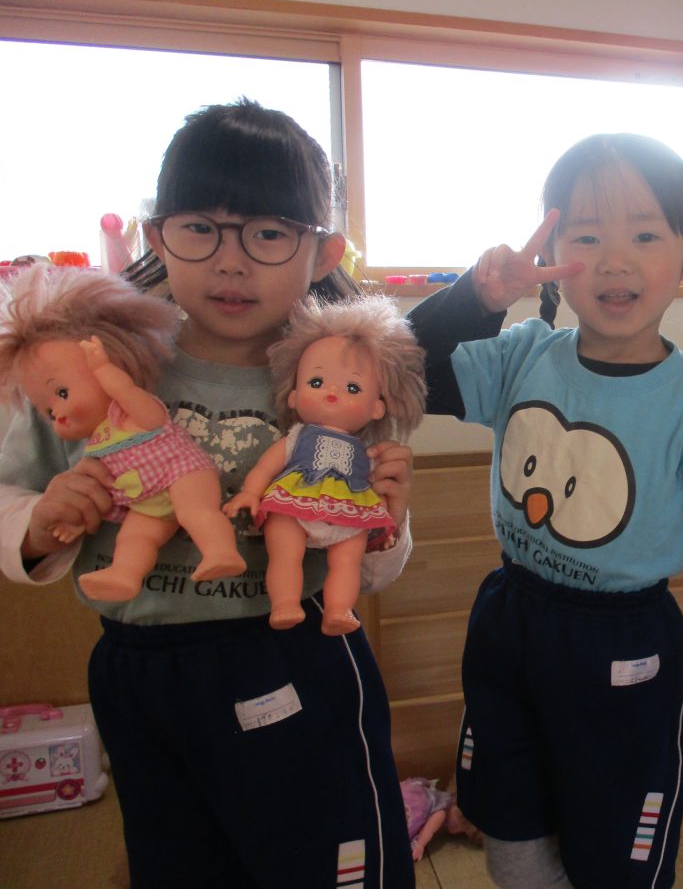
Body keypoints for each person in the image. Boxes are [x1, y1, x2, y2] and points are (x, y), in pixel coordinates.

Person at [0, 99, 419, 889]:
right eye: (201, 228)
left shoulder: (336, 375)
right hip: (138, 670)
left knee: (328, 862)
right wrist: (39, 520)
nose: (231, 262)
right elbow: (9, 495)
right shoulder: (98, 360)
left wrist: (387, 526)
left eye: (268, 234)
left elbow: (369, 564)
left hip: (291, 653)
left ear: (321, 250)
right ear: (157, 237)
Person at [407, 132, 683, 889]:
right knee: (509, 832)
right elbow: (398, 372)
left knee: (615, 848)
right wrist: (477, 297)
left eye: (645, 236)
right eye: (587, 237)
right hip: (510, 622)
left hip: (625, 647)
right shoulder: (524, 355)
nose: (614, 260)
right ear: (553, 251)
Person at [0, 265, 246, 602]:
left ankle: (220, 551)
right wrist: (50, 522)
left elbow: (132, 398)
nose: (58, 414)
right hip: (146, 506)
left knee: (196, 513)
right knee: (134, 538)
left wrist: (104, 370)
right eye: (49, 412)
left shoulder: (128, 409)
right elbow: (77, 491)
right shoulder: (98, 442)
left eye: (62, 394)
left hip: (182, 473)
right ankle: (123, 574)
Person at [223, 296, 425, 635]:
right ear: (293, 395)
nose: (332, 392)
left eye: (353, 387)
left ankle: (338, 609)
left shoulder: (367, 452)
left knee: (348, 559)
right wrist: (251, 492)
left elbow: (377, 492)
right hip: (293, 502)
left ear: (377, 408)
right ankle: (285, 603)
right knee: (284, 550)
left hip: (347, 510)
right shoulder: (297, 436)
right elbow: (267, 467)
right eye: (316, 383)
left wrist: (387, 514)